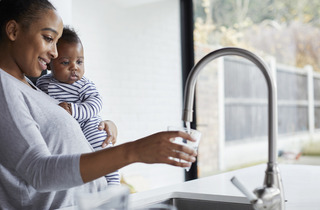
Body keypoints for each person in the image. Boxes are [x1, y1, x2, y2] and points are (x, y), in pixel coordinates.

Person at [0, 0, 197, 209]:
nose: (55, 53)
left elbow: (56, 141)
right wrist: (135, 151)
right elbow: (40, 172)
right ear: (13, 30)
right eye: (48, 38)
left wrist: (99, 124)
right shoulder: (4, 85)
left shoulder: (32, 86)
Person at [36, 26, 120, 185]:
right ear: (50, 64)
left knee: (102, 148)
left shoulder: (83, 84)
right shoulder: (43, 82)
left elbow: (96, 103)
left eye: (79, 61)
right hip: (68, 134)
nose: (74, 67)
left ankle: (113, 183)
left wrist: (74, 110)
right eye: (66, 62)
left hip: (88, 124)